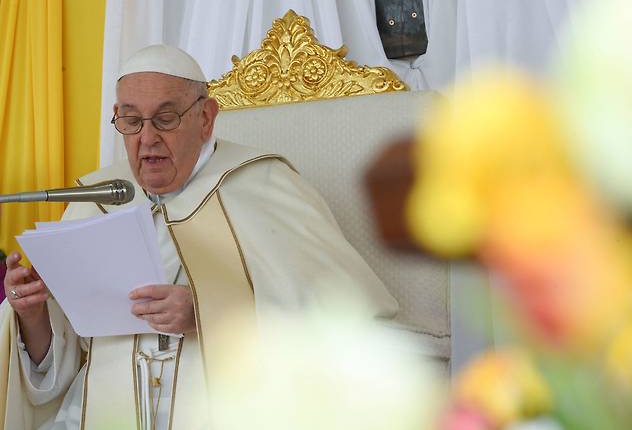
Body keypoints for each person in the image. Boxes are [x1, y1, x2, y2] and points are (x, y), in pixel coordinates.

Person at [0, 45, 398, 429]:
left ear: (206, 118)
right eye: (131, 121)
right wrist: (33, 315)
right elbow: (63, 361)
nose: (147, 137)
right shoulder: (97, 198)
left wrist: (207, 314)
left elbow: (349, 317)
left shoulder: (263, 185)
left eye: (166, 118)